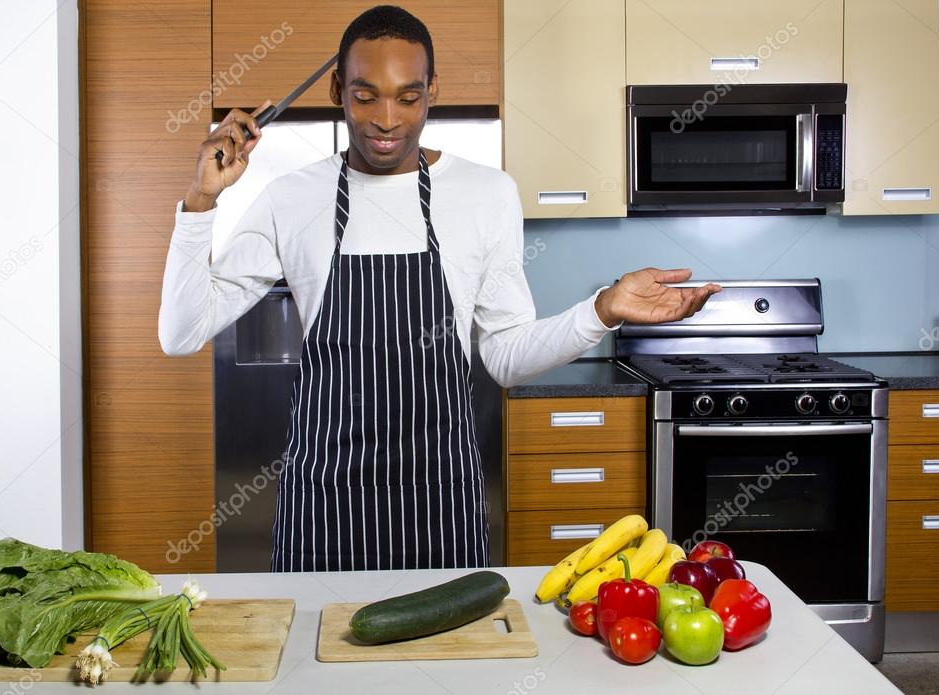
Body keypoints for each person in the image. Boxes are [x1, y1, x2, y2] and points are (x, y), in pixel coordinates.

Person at [158, 5, 719, 572]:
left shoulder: (486, 194)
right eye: (365, 95)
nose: (385, 119)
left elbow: (503, 356)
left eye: (407, 96)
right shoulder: (291, 198)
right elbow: (180, 333)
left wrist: (601, 311)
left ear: (432, 92)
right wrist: (201, 201)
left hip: (439, 501)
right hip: (321, 501)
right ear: (335, 89)